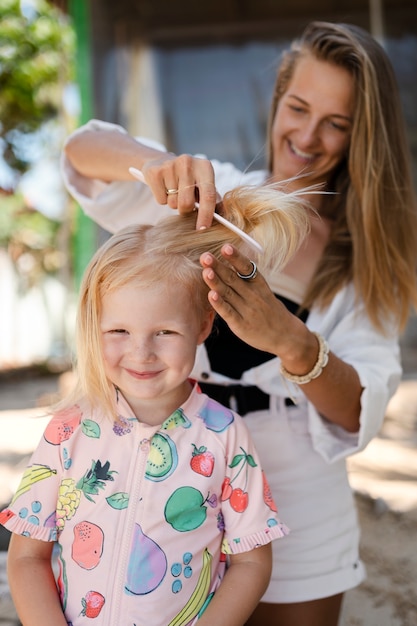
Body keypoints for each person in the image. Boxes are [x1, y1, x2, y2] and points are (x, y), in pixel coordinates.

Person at [61, 20, 417, 626]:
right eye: (298, 107)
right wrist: (156, 164)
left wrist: (289, 340)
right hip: (164, 491)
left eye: (338, 123)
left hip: (296, 510)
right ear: (278, 100)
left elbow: (360, 413)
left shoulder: (372, 260)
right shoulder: (210, 195)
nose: (308, 135)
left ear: (365, 137)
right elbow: (82, 153)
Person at [0, 185, 310, 626]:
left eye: (164, 332)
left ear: (203, 324)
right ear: (94, 326)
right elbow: (28, 556)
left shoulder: (225, 437)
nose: (141, 353)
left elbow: (251, 562)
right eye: (118, 332)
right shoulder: (67, 430)